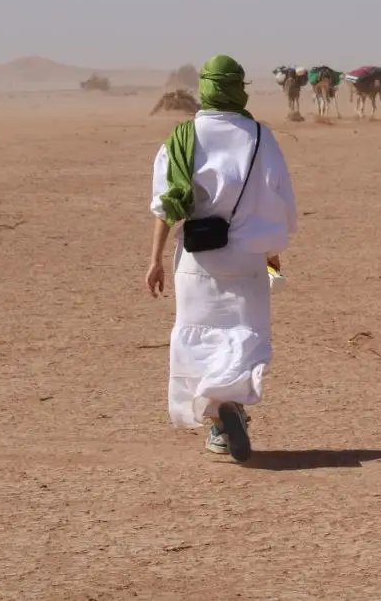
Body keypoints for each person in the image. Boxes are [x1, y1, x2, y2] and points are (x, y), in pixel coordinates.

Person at [146, 55, 298, 462]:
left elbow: (166, 204)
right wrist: (272, 252)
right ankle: (232, 405)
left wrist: (156, 259)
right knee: (242, 333)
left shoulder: (183, 138)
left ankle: (217, 424)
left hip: (197, 259)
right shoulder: (262, 138)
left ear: (206, 88)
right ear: (238, 88)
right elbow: (279, 197)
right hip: (248, 257)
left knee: (201, 333)